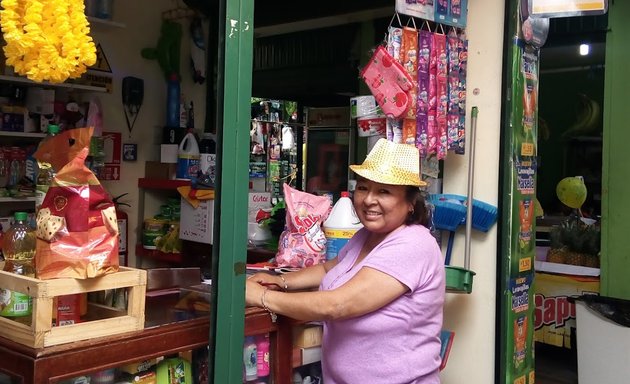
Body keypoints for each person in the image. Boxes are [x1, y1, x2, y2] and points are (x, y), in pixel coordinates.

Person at [246, 138, 445, 383]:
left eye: (384, 191)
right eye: (363, 188)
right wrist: (281, 280)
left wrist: (262, 297)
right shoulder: (366, 235)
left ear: (411, 203)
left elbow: (338, 305)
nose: (369, 199)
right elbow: (330, 268)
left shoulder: (413, 244)